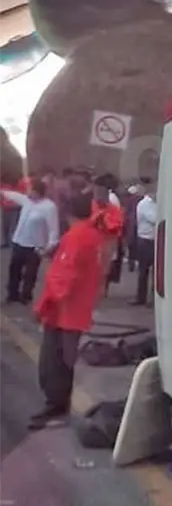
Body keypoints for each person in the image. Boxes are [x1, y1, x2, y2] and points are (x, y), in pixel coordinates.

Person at [29, 192, 103, 430]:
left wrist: (41, 307)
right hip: (75, 310)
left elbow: (62, 281)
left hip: (63, 313)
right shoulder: (91, 235)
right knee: (62, 362)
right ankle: (58, 407)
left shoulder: (76, 237)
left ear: (68, 213)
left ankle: (56, 409)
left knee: (53, 364)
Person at [2, 179, 60, 303]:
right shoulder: (26, 200)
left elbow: (53, 229)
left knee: (30, 273)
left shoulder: (49, 207)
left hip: (35, 246)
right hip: (19, 242)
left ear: (38, 192)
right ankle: (12, 294)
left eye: (31, 190)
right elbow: (13, 195)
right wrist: (2, 192)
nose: (28, 192)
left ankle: (26, 296)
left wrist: (49, 246)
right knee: (14, 270)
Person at [133, 182, 158, 307]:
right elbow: (154, 219)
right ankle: (140, 297)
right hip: (145, 240)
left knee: (156, 271)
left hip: (156, 240)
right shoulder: (144, 204)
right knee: (143, 271)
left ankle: (154, 299)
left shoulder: (157, 204)